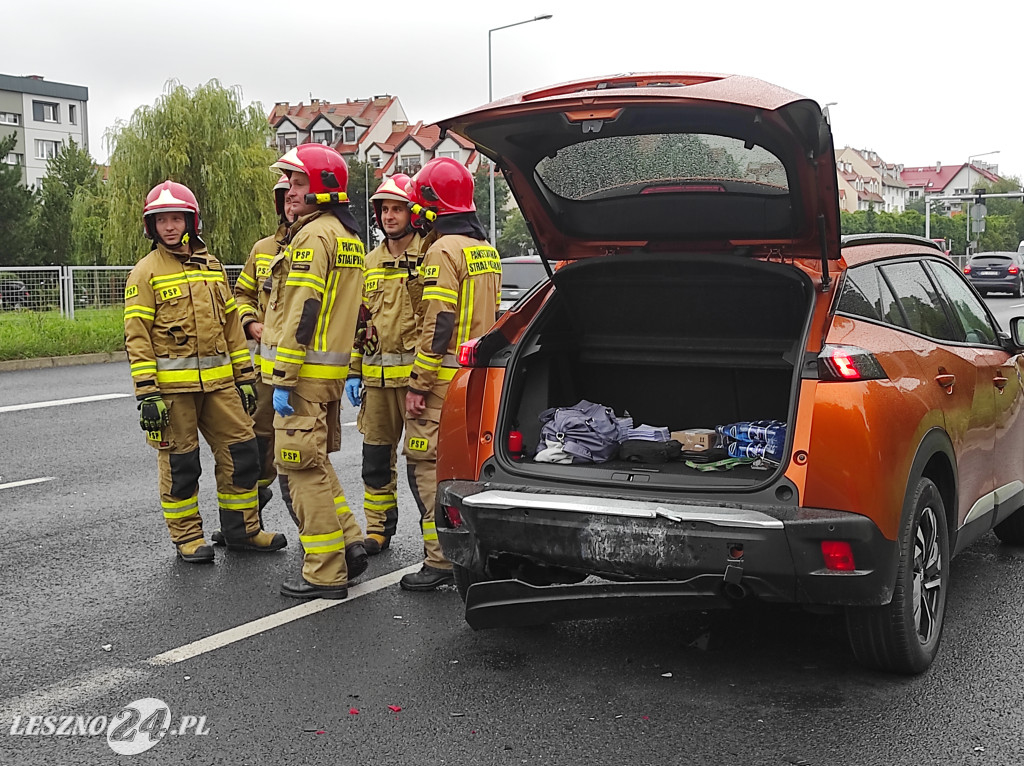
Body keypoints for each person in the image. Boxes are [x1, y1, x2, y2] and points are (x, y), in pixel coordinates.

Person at [124, 180, 287, 563]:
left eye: (176, 218)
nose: (169, 226)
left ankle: (243, 530)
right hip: (172, 393)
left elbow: (232, 329)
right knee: (182, 465)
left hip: (219, 387)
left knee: (243, 453)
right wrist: (147, 394)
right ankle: (187, 538)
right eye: (161, 220)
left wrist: (245, 378)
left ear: (190, 221)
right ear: (152, 226)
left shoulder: (212, 267)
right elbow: (137, 338)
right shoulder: (144, 274)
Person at [263, 144, 368, 600]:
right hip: (324, 373)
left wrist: (283, 375)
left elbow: (304, 310)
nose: (289, 191)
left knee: (299, 471)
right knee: (316, 462)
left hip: (301, 376)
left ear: (324, 187)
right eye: (288, 183)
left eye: (298, 182)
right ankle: (348, 543)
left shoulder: (311, 237)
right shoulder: (346, 236)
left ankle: (324, 572)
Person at [399, 157, 502, 591]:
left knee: (426, 467)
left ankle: (439, 560)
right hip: (474, 377)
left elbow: (439, 320)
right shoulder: (485, 249)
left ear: (431, 208)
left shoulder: (442, 250)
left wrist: (418, 384)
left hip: (440, 379)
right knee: (467, 469)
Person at [344, 173, 426, 556]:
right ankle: (377, 530)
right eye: (385, 210)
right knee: (375, 460)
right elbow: (360, 321)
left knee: (424, 464)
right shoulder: (370, 262)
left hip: (417, 384)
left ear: (413, 213)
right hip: (376, 384)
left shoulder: (430, 254)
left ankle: (436, 542)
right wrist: (354, 370)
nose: (390, 217)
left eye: (398, 209)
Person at [210, 175, 294, 545]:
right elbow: (241, 293)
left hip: (309, 371)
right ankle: (247, 521)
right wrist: (251, 322)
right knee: (256, 444)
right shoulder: (262, 249)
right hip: (266, 368)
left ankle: (323, 533)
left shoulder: (322, 241)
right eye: (286, 199)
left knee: (301, 450)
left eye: (297, 197)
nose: (292, 205)